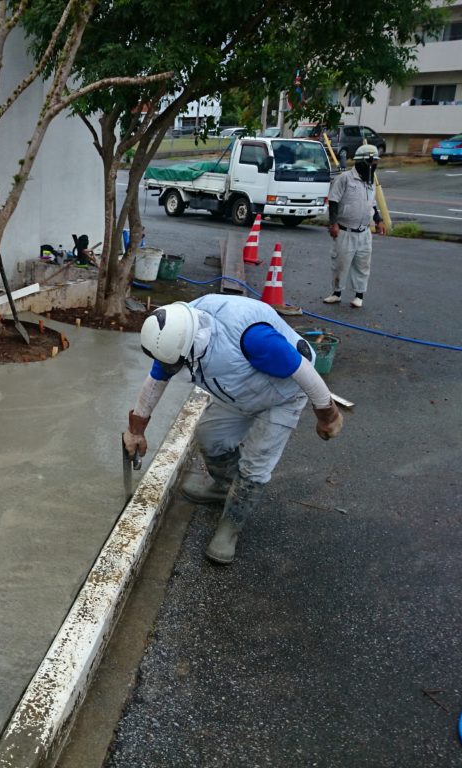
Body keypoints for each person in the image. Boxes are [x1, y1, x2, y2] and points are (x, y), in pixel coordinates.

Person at [123, 296, 344, 565]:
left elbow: (305, 372)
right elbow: (156, 380)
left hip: (282, 396)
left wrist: (327, 414)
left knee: (256, 464)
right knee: (209, 436)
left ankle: (231, 525)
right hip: (237, 391)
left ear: (193, 346)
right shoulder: (174, 331)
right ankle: (225, 487)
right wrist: (136, 429)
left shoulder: (253, 339)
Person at [324, 143, 386, 308]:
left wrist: (378, 220)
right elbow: (334, 201)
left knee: (363, 264)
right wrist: (333, 223)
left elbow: (371, 204)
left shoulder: (370, 181)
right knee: (341, 263)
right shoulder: (344, 178)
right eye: (373, 162)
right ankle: (336, 293)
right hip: (345, 230)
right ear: (364, 161)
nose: (375, 165)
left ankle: (359, 295)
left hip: (364, 232)